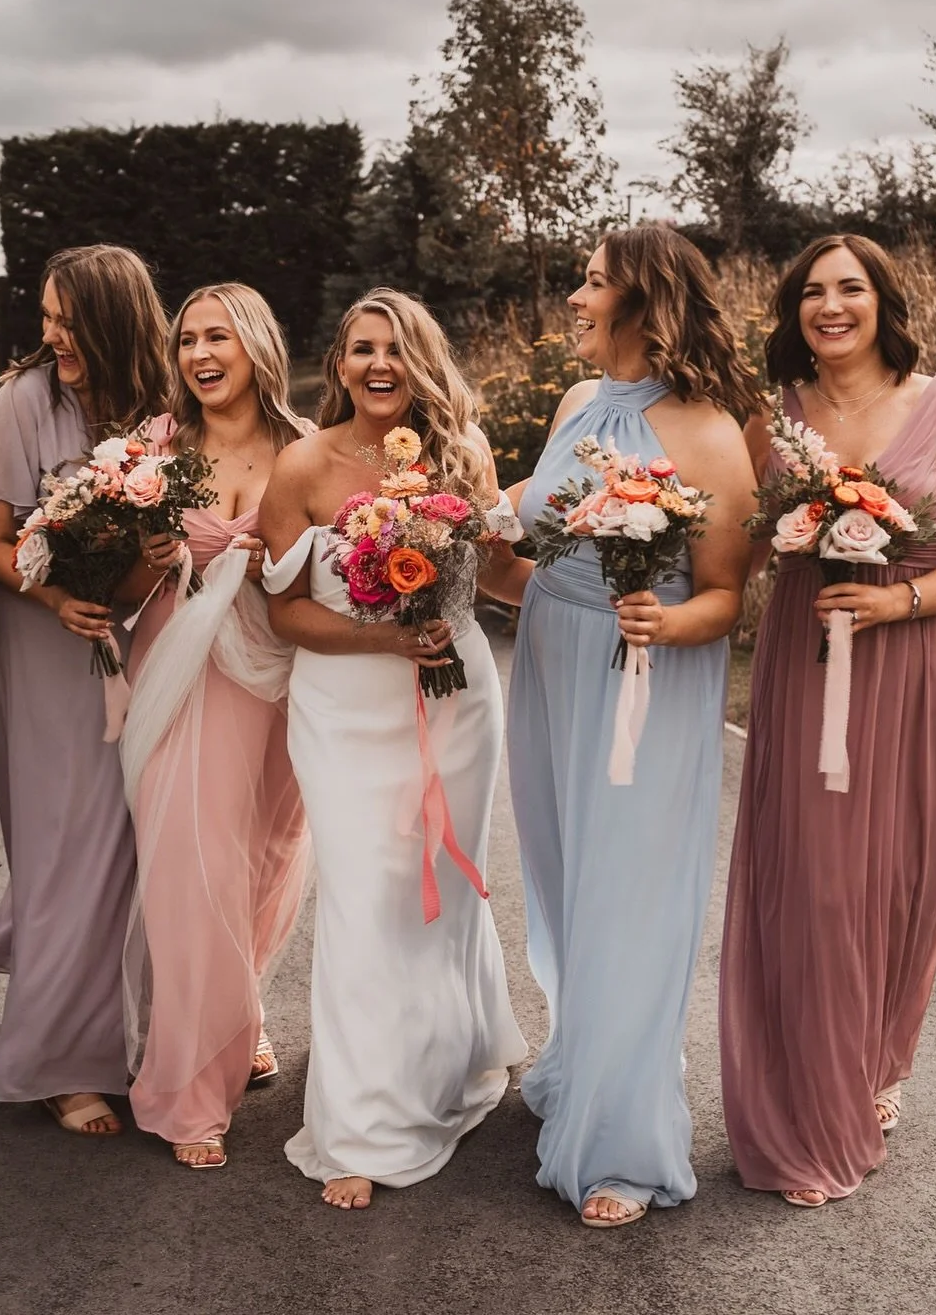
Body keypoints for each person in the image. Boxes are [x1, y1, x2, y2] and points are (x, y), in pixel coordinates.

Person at [719, 233, 936, 1206]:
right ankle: (812, 1112)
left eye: (850, 289)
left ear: (883, 301)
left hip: (926, 664)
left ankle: (876, 1063)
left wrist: (899, 601)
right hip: (810, 668)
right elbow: (747, 550)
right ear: (794, 309)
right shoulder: (777, 418)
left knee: (905, 887)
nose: (830, 305)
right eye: (811, 291)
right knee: (818, 885)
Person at [489, 223, 758, 1227]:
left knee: (633, 894)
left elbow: (726, 595)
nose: (575, 296)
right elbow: (541, 565)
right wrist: (481, 555)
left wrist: (667, 616)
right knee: (564, 876)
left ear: (645, 304)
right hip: (555, 666)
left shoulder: (711, 433)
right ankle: (583, 1060)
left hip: (648, 677)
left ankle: (624, 1144)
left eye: (594, 283)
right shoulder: (573, 405)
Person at [260, 288, 526, 1211]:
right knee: (370, 894)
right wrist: (383, 638)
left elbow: (496, 574)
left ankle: (446, 1062)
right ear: (338, 363)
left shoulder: (466, 453)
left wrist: (602, 569)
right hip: (343, 708)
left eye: (398, 350)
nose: (380, 366)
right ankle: (364, 1122)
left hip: (455, 703)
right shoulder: (303, 465)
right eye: (363, 349)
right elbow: (285, 611)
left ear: (421, 362)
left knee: (442, 886)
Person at [0, 243, 178, 1137]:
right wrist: (59, 596)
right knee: (66, 840)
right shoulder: (23, 403)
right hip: (39, 635)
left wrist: (141, 571)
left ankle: (133, 1036)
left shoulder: (163, 410)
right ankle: (57, 1059)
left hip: (140, 636)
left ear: (111, 319)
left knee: (137, 841)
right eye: (45, 316)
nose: (50, 334)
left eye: (65, 318)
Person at [118, 284, 311, 1170]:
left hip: (279, 678)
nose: (200, 353)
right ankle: (189, 1090)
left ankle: (243, 1010)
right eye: (187, 339)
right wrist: (144, 558)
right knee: (190, 868)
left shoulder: (307, 450)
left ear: (256, 345)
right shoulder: (152, 449)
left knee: (265, 859)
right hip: (180, 673)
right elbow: (113, 586)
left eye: (218, 336)